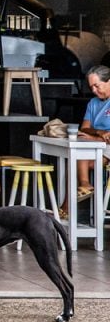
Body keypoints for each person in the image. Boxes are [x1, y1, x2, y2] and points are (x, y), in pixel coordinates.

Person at [60, 64, 110, 218]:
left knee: (78, 156)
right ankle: (84, 185)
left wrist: (96, 137)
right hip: (97, 143)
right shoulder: (93, 103)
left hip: (107, 147)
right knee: (75, 156)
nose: (94, 90)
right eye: (91, 87)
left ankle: (68, 205)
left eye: (97, 86)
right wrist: (98, 133)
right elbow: (85, 127)